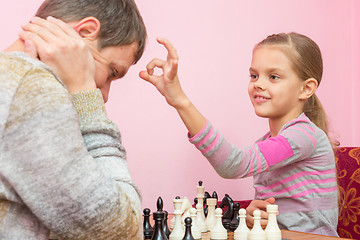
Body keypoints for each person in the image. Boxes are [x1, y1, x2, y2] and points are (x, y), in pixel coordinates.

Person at [139, 34, 339, 236]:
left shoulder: (304, 135)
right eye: (254, 75)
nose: (258, 84)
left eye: (274, 77)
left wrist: (180, 100)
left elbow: (234, 164)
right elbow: (279, 211)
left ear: (306, 88)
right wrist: (251, 214)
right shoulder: (267, 143)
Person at [0, 0, 146, 239]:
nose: (105, 94)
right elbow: (121, 230)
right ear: (86, 32)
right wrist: (86, 97)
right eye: (112, 72)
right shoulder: (30, 85)